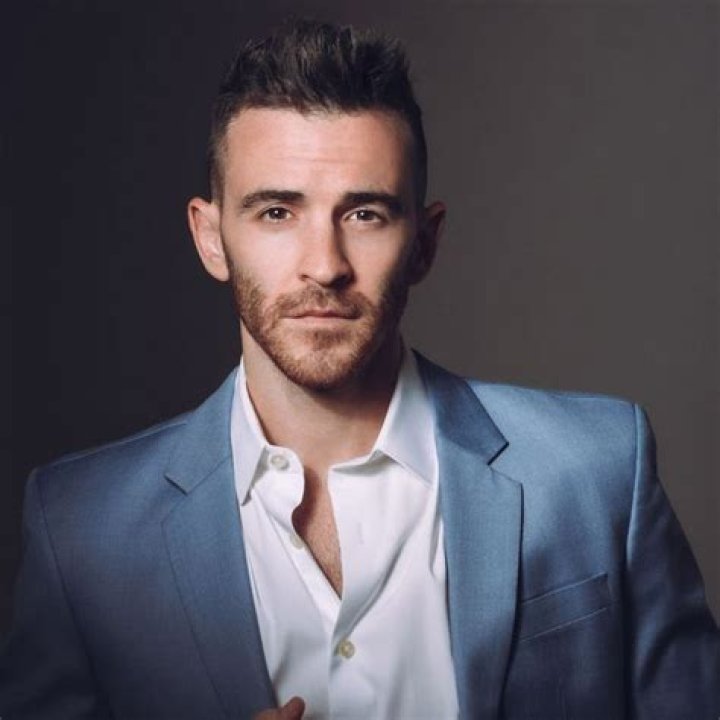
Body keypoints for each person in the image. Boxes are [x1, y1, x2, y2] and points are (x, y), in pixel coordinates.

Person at [1, 18, 718, 720]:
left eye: (365, 214)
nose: (325, 265)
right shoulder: (82, 531)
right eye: (277, 212)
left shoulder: (596, 473)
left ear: (424, 243)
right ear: (211, 238)